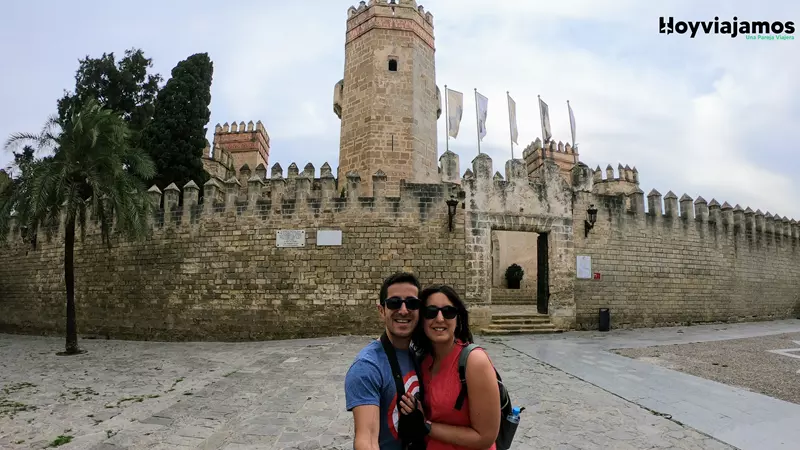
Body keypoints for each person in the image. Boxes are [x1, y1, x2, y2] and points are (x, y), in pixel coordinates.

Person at [398, 285, 501, 450]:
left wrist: (426, 426)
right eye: (431, 312)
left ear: (457, 318)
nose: (439, 319)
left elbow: (485, 437)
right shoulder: (423, 361)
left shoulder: (474, 362)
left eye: (448, 312)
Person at [345, 272, 427, 450]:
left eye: (412, 303)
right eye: (394, 303)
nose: (404, 310)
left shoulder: (416, 355)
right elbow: (366, 440)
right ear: (382, 311)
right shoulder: (367, 367)